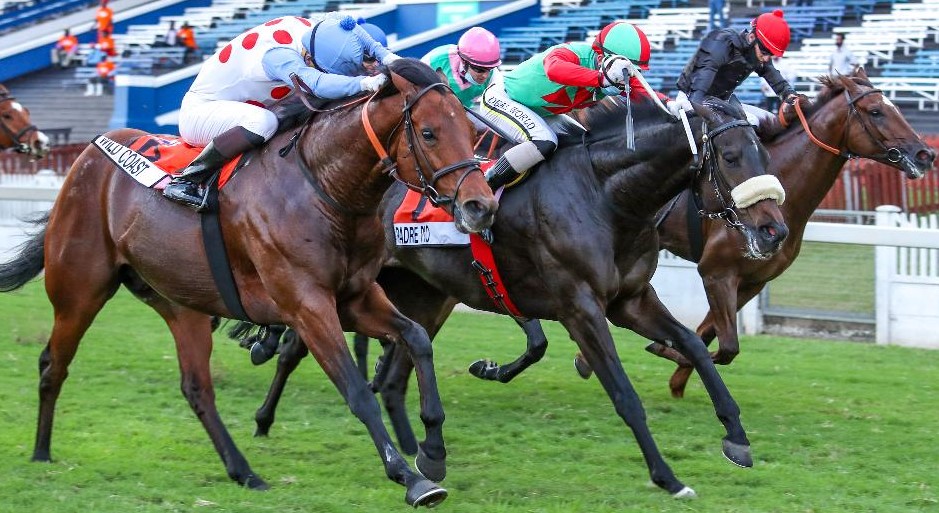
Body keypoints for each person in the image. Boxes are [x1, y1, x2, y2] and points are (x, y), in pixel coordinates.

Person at [163, 14, 400, 210]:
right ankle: (187, 179)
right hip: (202, 113)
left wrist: (388, 58)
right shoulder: (279, 56)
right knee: (263, 122)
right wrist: (364, 84)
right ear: (310, 58)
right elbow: (316, 83)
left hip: (240, 106)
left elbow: (355, 30)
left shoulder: (321, 31)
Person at [479, 21, 660, 190]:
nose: (626, 77)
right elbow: (554, 69)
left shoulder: (615, 73)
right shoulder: (570, 53)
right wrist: (600, 79)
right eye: (624, 71)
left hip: (540, 111)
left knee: (584, 143)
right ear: (601, 57)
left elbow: (649, 96)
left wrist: (673, 105)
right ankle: (486, 186)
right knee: (545, 141)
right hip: (503, 98)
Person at [675, 9, 805, 123]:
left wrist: (790, 95)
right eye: (765, 52)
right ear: (752, 37)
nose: (766, 58)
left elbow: (774, 77)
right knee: (749, 123)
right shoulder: (722, 42)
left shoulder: (757, 52)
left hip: (722, 101)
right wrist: (694, 108)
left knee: (770, 120)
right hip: (692, 97)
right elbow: (702, 78)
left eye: (771, 55)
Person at [422, 26, 501, 131]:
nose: (485, 75)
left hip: (463, 111)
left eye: (490, 69)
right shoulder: (434, 61)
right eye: (480, 69)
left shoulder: (494, 75)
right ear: (464, 62)